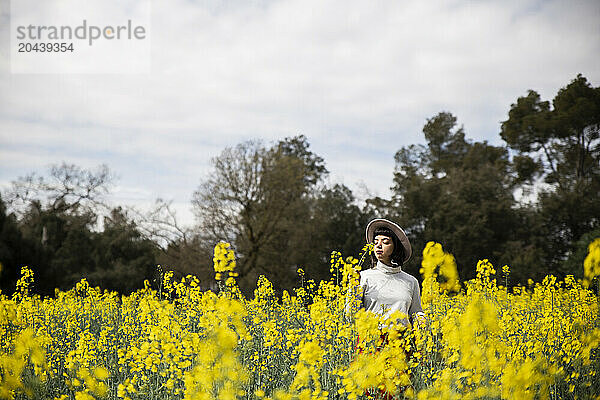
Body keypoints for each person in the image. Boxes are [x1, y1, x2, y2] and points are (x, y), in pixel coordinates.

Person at [359, 218, 425, 327]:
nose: (378, 246)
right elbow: (350, 315)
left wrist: (422, 320)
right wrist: (353, 288)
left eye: (385, 242)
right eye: (375, 242)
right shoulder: (363, 277)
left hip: (402, 341)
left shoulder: (411, 281)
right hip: (371, 340)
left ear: (396, 247)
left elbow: (415, 313)